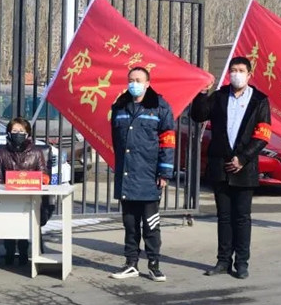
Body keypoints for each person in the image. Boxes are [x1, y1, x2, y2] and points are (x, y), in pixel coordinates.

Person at [190, 56, 271, 280]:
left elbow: (263, 135)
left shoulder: (260, 100)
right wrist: (202, 93)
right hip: (220, 165)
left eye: (241, 70)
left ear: (249, 74)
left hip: (244, 167)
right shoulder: (219, 96)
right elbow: (198, 115)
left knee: (242, 217)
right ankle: (223, 260)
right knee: (224, 217)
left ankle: (242, 262)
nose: (236, 74)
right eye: (233, 70)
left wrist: (243, 158)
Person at [109, 67, 175, 282]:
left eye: (138, 80)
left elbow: (168, 141)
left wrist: (164, 172)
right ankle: (131, 263)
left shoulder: (160, 107)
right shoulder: (120, 106)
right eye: (131, 80)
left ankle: (154, 264)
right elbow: (116, 139)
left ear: (147, 83)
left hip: (149, 175)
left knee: (151, 224)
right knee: (130, 224)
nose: (134, 83)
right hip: (127, 175)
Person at [0, 117, 50, 266]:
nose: (18, 134)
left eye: (21, 131)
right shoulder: (2, 152)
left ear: (27, 134)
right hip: (8, 199)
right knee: (9, 214)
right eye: (14, 131)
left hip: (30, 200)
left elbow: (44, 177)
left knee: (25, 213)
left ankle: (24, 251)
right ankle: (9, 250)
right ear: (9, 133)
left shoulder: (36, 152)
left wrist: (34, 180)